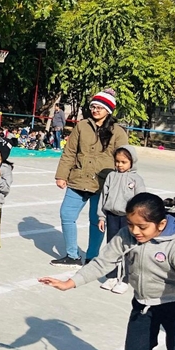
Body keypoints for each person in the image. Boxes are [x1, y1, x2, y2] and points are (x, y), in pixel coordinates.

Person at [39, 193, 175, 350]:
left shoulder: (174, 244)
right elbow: (102, 263)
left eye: (142, 227)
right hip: (144, 303)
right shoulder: (126, 236)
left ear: (161, 224)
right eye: (130, 224)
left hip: (174, 304)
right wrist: (70, 283)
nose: (135, 231)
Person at [52, 88, 128, 267]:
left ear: (108, 110)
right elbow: (70, 152)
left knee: (97, 221)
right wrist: (61, 175)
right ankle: (72, 255)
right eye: (93, 106)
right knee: (66, 214)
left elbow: (125, 158)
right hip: (78, 180)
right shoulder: (82, 126)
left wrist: (120, 182)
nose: (95, 110)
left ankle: (92, 257)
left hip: (103, 184)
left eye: (99, 108)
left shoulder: (118, 132)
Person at [97, 145, 147, 293]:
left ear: (132, 162)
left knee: (127, 248)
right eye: (117, 161)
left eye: (123, 162)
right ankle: (112, 276)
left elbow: (141, 201)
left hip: (128, 219)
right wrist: (101, 217)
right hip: (111, 217)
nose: (119, 165)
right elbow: (103, 197)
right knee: (112, 247)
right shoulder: (111, 176)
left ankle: (125, 279)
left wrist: (138, 221)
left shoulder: (136, 179)